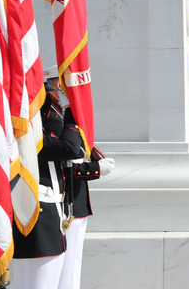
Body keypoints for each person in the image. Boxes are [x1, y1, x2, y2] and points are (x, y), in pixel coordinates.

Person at [41, 65, 116, 289]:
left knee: (71, 268)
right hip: (65, 199)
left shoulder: (61, 111)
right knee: (64, 271)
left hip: (75, 198)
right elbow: (58, 162)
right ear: (58, 83)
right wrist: (94, 169)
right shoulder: (49, 114)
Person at [11, 77, 85, 289]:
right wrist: (71, 110)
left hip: (47, 216)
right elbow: (69, 148)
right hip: (38, 218)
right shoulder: (26, 135)